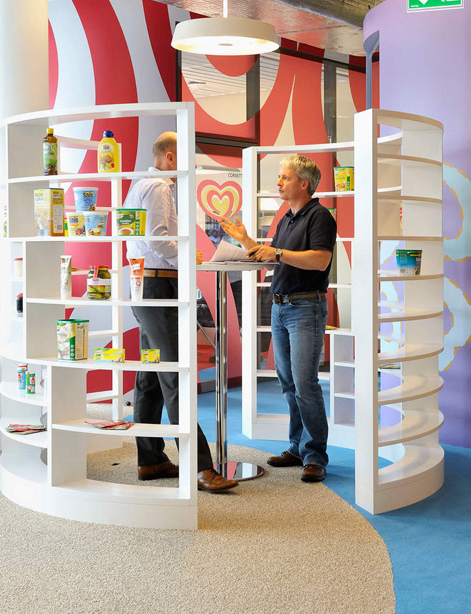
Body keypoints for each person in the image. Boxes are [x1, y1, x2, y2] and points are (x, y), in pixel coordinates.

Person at [124, 131, 237, 492]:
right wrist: (186, 255)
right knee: (175, 374)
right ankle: (201, 467)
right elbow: (157, 238)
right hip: (158, 285)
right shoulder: (158, 186)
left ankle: (150, 459)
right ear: (171, 156)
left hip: (146, 283)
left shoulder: (142, 185)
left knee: (151, 375)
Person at [219, 155, 336, 483]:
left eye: (285, 177)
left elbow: (320, 260)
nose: (279, 182)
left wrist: (279, 253)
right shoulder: (286, 218)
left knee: (305, 384)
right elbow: (273, 258)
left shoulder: (320, 217)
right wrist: (246, 241)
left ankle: (315, 456)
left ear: (304, 184)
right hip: (281, 308)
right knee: (289, 384)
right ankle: (298, 447)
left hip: (305, 309)